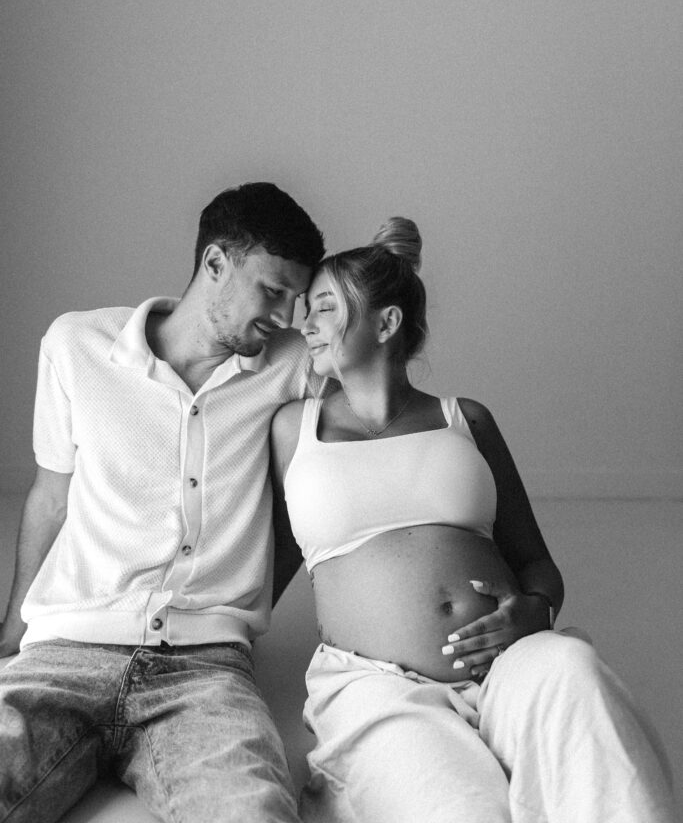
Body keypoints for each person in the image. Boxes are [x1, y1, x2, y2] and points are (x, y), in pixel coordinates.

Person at [270, 217, 677, 823]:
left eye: (325, 307)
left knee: (576, 672)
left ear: (386, 323)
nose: (307, 324)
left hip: (513, 661)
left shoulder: (467, 420)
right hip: (378, 685)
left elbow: (537, 563)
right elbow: (257, 565)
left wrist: (536, 607)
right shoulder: (289, 429)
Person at [0, 182, 326, 823]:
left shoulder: (292, 366)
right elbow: (50, 498)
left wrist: (251, 593)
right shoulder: (77, 346)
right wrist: (14, 630)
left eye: (296, 298)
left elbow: (361, 428)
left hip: (207, 676)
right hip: (65, 648)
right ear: (214, 264)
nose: (287, 317)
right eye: (272, 291)